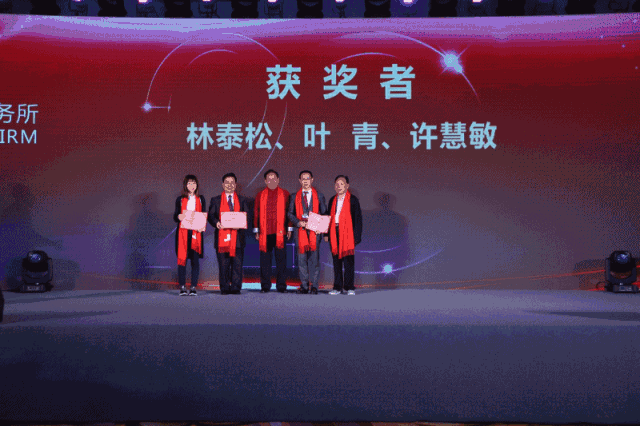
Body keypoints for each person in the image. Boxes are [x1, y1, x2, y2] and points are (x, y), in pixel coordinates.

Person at [287, 170, 327, 295]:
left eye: (307, 178)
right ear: (300, 181)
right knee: (301, 260)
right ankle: (304, 286)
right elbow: (290, 213)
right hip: (300, 232)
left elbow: (324, 213)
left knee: (314, 260)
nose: (305, 181)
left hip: (315, 232)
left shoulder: (319, 196)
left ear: (312, 180)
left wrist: (320, 226)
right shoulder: (294, 196)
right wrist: (298, 222)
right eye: (303, 179)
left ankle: (314, 286)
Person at [208, 173, 249, 295]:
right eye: (227, 182)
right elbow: (211, 216)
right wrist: (217, 223)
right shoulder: (215, 200)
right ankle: (224, 287)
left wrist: (241, 224)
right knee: (223, 265)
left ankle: (236, 287)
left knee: (237, 264)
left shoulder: (242, 200)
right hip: (222, 238)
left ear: (235, 185)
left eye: (232, 182)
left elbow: (247, 216)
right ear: (223, 185)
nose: (229, 185)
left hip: (238, 238)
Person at [254, 169, 293, 293]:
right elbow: (256, 213)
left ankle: (281, 286)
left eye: (274, 178)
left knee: (281, 262)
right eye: (269, 179)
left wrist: (290, 228)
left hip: (280, 232)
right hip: (265, 233)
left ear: (278, 180)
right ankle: (265, 286)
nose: (272, 181)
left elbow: (289, 212)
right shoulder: (260, 195)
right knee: (265, 262)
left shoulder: (285, 193)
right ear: (265, 181)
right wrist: (256, 230)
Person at [325, 175, 362, 295]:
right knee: (336, 262)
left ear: (347, 185)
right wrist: (326, 233)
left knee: (348, 262)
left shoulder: (353, 200)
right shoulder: (332, 200)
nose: (339, 186)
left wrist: (356, 237)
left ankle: (349, 287)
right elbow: (328, 217)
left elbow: (357, 219)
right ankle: (337, 287)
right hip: (334, 233)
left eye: (341, 184)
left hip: (348, 234)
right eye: (337, 184)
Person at [174, 174, 206, 296]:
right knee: (182, 260)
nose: (191, 185)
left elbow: (203, 215)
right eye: (189, 183)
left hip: (196, 233)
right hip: (183, 233)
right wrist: (179, 216)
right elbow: (175, 216)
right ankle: (182, 287)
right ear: (185, 185)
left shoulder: (201, 199)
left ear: (197, 185)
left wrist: (201, 225)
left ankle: (193, 287)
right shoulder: (180, 199)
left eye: (194, 183)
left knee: (195, 261)